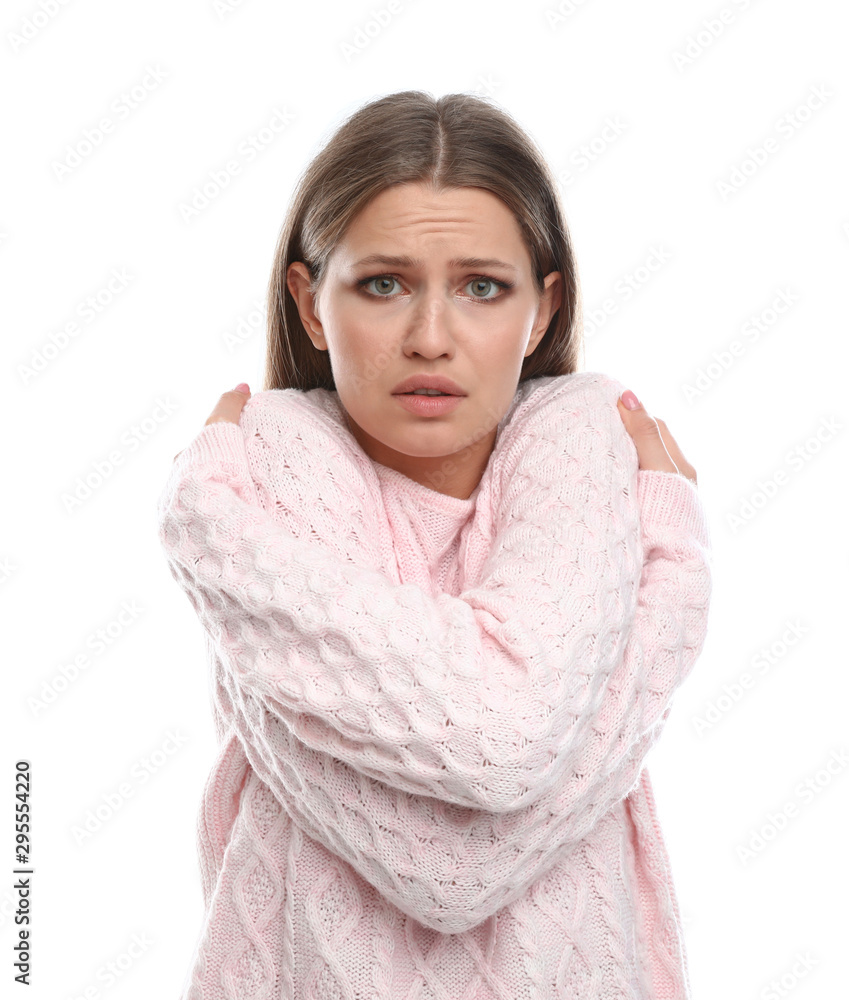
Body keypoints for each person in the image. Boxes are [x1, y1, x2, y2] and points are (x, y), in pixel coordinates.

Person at [158, 90, 712, 999]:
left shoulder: (579, 429)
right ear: (309, 303)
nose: (429, 338)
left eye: (481, 287)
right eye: (383, 284)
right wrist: (670, 589)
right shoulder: (276, 456)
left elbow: (496, 746)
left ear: (542, 310)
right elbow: (451, 865)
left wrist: (679, 575)